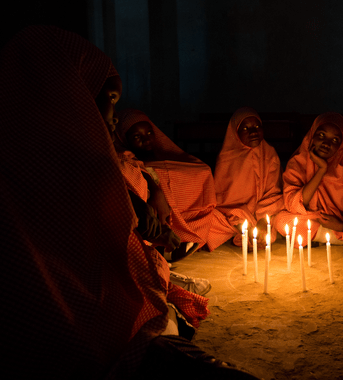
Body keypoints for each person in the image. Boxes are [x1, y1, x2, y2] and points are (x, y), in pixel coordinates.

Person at [0, 25, 255, 379]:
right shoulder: (83, 159)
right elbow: (114, 246)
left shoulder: (31, 149)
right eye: (111, 98)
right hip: (73, 323)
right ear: (71, 90)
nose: (112, 114)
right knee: (156, 322)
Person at [116, 109, 233, 254]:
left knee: (203, 173)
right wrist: (156, 190)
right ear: (123, 138)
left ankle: (191, 233)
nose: (146, 139)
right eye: (136, 136)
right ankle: (167, 239)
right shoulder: (124, 159)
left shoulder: (160, 154)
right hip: (150, 210)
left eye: (149, 133)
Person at [272, 112, 343, 259]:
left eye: (335, 140)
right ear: (312, 135)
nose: (326, 143)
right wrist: (321, 170)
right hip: (315, 220)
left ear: (342, 144)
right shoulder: (299, 161)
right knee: (282, 220)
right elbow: (293, 204)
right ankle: (342, 239)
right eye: (321, 135)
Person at [212, 107, 283, 249]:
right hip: (233, 218)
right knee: (210, 220)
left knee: (284, 219)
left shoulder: (269, 154)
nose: (253, 132)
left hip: (263, 214)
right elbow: (223, 202)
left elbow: (274, 194)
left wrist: (262, 221)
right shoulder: (227, 158)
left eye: (257, 126)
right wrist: (242, 224)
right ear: (235, 133)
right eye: (245, 128)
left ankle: (253, 234)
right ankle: (244, 233)